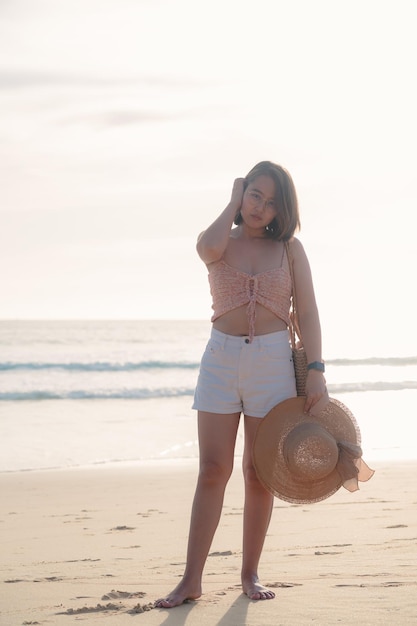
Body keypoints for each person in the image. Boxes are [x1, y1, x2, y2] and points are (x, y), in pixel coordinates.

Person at [155, 161, 327, 608]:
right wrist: (231, 201)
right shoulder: (220, 243)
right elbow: (203, 247)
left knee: (258, 474)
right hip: (220, 361)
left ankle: (250, 573)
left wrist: (316, 370)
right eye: (254, 195)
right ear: (242, 192)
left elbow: (306, 313)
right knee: (213, 470)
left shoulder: (290, 249)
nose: (260, 208)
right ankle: (191, 579)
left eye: (271, 203)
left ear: (281, 209)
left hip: (272, 363)